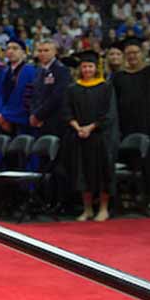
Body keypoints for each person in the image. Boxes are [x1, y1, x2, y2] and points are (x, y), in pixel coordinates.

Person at [64, 53, 118, 221]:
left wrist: (91, 127)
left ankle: (103, 208)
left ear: (96, 68)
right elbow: (66, 111)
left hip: (101, 137)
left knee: (103, 173)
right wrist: (78, 127)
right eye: (84, 66)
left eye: (90, 66)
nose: (87, 69)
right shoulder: (73, 89)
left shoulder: (105, 87)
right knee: (83, 172)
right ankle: (87, 209)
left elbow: (109, 114)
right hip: (80, 135)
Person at [110, 36, 150, 208]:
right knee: (130, 161)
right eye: (128, 53)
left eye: (135, 52)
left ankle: (149, 196)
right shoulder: (118, 77)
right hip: (126, 125)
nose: (132, 56)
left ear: (142, 53)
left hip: (149, 124)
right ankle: (129, 196)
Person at [0, 39, 38, 135]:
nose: (10, 51)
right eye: (8, 48)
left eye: (15, 48)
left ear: (23, 52)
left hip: (21, 121)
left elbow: (27, 97)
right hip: (1, 120)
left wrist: (7, 115)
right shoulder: (3, 72)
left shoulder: (30, 71)